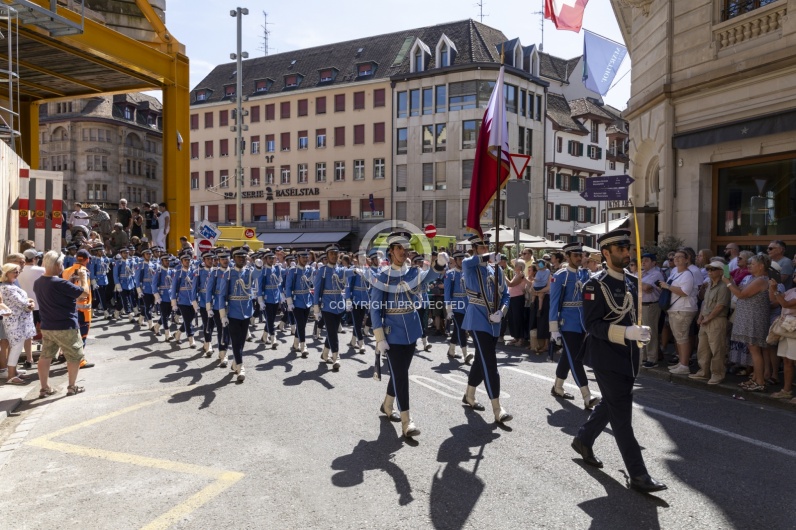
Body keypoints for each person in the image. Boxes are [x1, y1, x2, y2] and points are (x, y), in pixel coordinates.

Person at [570, 229, 667, 493]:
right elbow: (591, 325)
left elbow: (631, 317)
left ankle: (583, 439)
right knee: (622, 417)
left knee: (612, 404)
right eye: (622, 249)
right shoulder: (594, 284)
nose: (628, 253)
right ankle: (638, 474)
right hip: (606, 357)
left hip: (630, 356)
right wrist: (625, 332)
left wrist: (640, 333)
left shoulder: (633, 281)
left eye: (628, 248)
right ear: (606, 253)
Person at [369, 231, 448, 437]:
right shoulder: (382, 277)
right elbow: (375, 308)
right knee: (402, 376)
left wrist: (438, 264)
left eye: (406, 249)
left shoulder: (413, 273)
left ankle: (387, 404)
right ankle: (407, 421)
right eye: (399, 248)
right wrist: (379, 338)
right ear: (391, 252)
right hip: (392, 334)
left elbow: (429, 277)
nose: (404, 252)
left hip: (412, 332)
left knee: (399, 372)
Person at [461, 234, 512, 424]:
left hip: (494, 320)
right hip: (477, 319)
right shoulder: (469, 265)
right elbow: (470, 261)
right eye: (482, 246)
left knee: (480, 360)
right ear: (475, 248)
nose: (485, 249)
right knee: (490, 362)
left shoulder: (496, 270)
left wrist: (502, 311)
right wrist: (489, 255)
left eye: (487, 246)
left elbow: (506, 295)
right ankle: (497, 408)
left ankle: (469, 395)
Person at [549, 242, 599, 410]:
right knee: (576, 358)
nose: (579, 258)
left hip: (582, 323)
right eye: (576, 255)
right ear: (568, 256)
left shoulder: (584, 274)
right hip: (567, 322)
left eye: (581, 255)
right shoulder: (560, 275)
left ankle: (557, 387)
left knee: (568, 356)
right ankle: (587, 395)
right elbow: (554, 302)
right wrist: (553, 328)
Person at [33, 251, 90, 397]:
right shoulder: (61, 283)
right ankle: (72, 386)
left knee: (46, 356)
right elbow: (84, 293)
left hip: (48, 325)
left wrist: (69, 282)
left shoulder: (38, 282)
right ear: (58, 264)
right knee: (75, 356)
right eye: (62, 264)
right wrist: (83, 279)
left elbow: (57, 293)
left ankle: (44, 388)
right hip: (66, 326)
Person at [723, 254, 771, 392]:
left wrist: (727, 282)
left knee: (755, 349)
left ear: (761, 266)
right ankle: (755, 378)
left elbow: (741, 294)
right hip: (750, 316)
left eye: (752, 264)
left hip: (754, 318)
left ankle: (760, 381)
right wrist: (731, 281)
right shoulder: (755, 278)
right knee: (753, 349)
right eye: (748, 263)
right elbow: (740, 290)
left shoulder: (761, 280)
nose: (749, 266)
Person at [658, 249, 697, 375]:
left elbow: (685, 292)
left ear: (687, 259)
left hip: (683, 309)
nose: (677, 259)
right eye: (675, 257)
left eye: (680, 257)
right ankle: (681, 362)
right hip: (675, 309)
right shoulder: (675, 272)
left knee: (682, 338)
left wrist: (667, 286)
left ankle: (684, 365)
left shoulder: (687, 274)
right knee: (678, 338)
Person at [692, 261, 731, 384]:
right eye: (708, 269)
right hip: (706, 319)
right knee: (702, 348)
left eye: (713, 269)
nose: (709, 271)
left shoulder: (724, 286)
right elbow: (705, 303)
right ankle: (704, 371)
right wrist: (700, 317)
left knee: (717, 349)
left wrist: (708, 318)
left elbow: (720, 305)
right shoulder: (709, 284)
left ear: (720, 271)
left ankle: (717, 374)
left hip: (717, 320)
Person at [218, 248, 254, 382]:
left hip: (246, 311)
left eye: (243, 257)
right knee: (236, 341)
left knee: (242, 341)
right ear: (234, 259)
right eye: (239, 257)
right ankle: (240, 367)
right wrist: (223, 315)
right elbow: (222, 295)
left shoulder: (249, 272)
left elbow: (259, 275)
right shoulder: (228, 273)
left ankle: (235, 362)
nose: (241, 259)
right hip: (232, 312)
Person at [313, 244, 348, 371]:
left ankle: (325, 353)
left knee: (332, 331)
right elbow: (317, 290)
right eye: (331, 253)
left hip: (339, 305)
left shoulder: (341, 270)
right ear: (327, 256)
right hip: (327, 306)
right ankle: (336, 357)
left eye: (335, 253)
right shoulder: (322, 271)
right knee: (333, 332)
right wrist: (316, 308)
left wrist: (348, 301)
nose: (333, 256)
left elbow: (346, 287)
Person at [0, 263, 35, 384]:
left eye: (18, 271)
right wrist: (29, 303)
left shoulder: (11, 285)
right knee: (16, 347)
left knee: (17, 347)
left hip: (19, 321)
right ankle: (11, 375)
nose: (17, 273)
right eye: (14, 271)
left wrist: (29, 302)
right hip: (14, 322)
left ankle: (13, 372)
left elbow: (26, 302)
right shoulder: (6, 287)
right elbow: (23, 303)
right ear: (6, 273)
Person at [769, 275, 796, 402]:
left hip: (794, 331)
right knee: (787, 361)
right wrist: (772, 288)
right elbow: (775, 300)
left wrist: (775, 290)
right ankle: (786, 390)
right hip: (786, 330)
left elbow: (786, 304)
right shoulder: (791, 291)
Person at [284, 250, 313, 357]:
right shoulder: (293, 271)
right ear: (298, 258)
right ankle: (303, 345)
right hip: (297, 301)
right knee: (300, 324)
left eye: (307, 257)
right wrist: (289, 302)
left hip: (307, 300)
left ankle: (296, 343)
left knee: (303, 324)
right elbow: (288, 287)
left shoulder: (309, 269)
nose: (305, 259)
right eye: (303, 257)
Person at [444, 251, 470, 362]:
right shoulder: (450, 274)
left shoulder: (467, 273)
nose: (461, 261)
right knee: (461, 328)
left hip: (467, 305)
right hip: (456, 306)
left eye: (463, 259)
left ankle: (451, 350)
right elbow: (447, 292)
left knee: (457, 329)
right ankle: (465, 353)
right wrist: (449, 310)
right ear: (455, 261)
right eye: (459, 259)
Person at [639, 253, 664, 368]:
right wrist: (640, 284)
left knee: (650, 332)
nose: (643, 262)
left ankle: (652, 358)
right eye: (642, 260)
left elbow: (647, 287)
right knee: (642, 332)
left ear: (654, 262)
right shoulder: (642, 273)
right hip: (641, 305)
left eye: (647, 260)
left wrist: (638, 283)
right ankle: (644, 357)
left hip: (651, 305)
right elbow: (631, 285)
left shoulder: (656, 273)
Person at [207, 251, 232, 365]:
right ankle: (223, 352)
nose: (225, 261)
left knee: (229, 330)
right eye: (222, 259)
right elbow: (209, 290)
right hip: (218, 305)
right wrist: (209, 307)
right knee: (222, 330)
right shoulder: (215, 273)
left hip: (232, 305)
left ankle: (224, 350)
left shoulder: (233, 272)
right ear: (219, 260)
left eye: (226, 259)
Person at [171, 251, 198, 347]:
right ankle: (191, 339)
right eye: (185, 260)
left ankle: (178, 333)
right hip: (182, 300)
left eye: (189, 260)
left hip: (193, 300)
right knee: (187, 319)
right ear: (181, 261)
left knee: (189, 319)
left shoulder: (194, 271)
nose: (187, 262)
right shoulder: (178, 273)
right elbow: (174, 288)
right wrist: (174, 303)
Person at [257, 250, 282, 348]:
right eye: (269, 258)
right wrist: (260, 300)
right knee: (270, 320)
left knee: (271, 319)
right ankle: (273, 338)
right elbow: (260, 286)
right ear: (265, 259)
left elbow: (279, 282)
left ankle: (264, 337)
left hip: (275, 297)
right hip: (267, 298)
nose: (271, 260)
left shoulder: (276, 269)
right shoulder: (263, 271)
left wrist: (282, 295)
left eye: (273, 258)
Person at [194, 252, 217, 357]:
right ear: (204, 260)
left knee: (212, 325)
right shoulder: (199, 272)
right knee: (206, 323)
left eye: (212, 259)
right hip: (204, 302)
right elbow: (194, 288)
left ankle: (206, 342)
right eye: (208, 259)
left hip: (216, 302)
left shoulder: (217, 272)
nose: (211, 261)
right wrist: (195, 303)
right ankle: (209, 345)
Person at [529, 258, 551, 354]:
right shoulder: (538, 274)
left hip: (545, 298)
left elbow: (548, 287)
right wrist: (534, 291)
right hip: (537, 298)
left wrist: (537, 292)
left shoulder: (549, 274)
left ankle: (546, 345)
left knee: (544, 322)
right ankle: (536, 344)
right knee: (536, 322)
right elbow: (531, 288)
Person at [153, 254, 176, 341]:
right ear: (162, 261)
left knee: (167, 314)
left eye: (168, 261)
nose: (167, 262)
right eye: (166, 261)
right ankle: (167, 334)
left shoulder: (171, 271)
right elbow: (154, 285)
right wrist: (157, 296)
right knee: (164, 315)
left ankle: (156, 326)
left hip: (170, 296)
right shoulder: (158, 271)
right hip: (162, 296)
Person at [506, 258, 528, 348]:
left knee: (518, 318)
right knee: (512, 318)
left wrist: (504, 276)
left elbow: (511, 284)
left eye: (516, 265)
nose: (514, 266)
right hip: (512, 297)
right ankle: (516, 336)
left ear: (520, 267)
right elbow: (512, 261)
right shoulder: (517, 274)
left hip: (518, 298)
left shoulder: (521, 275)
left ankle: (521, 338)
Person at [135, 248, 158, 329]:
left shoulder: (154, 265)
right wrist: (139, 290)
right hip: (145, 288)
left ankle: (140, 319)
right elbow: (137, 278)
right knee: (148, 307)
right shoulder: (141, 265)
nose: (149, 255)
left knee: (150, 305)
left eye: (150, 254)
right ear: (143, 255)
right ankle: (151, 325)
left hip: (153, 289)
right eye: (147, 254)